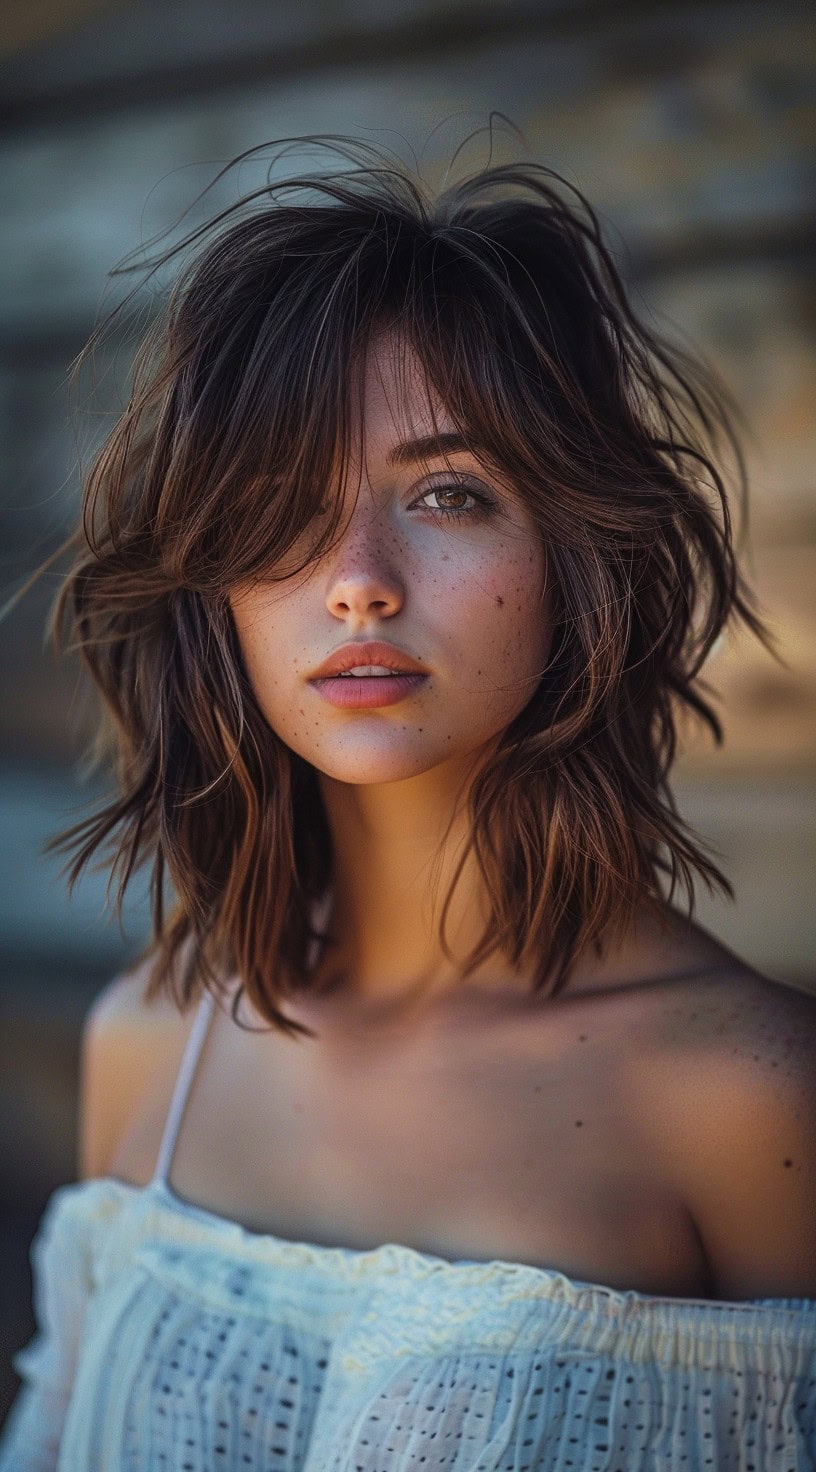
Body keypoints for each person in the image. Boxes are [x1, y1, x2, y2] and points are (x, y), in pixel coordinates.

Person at [1, 137, 814, 1471]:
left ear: (570, 556)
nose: (360, 580)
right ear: (216, 592)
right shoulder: (151, 1042)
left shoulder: (750, 1098)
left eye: (448, 493)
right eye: (279, 507)